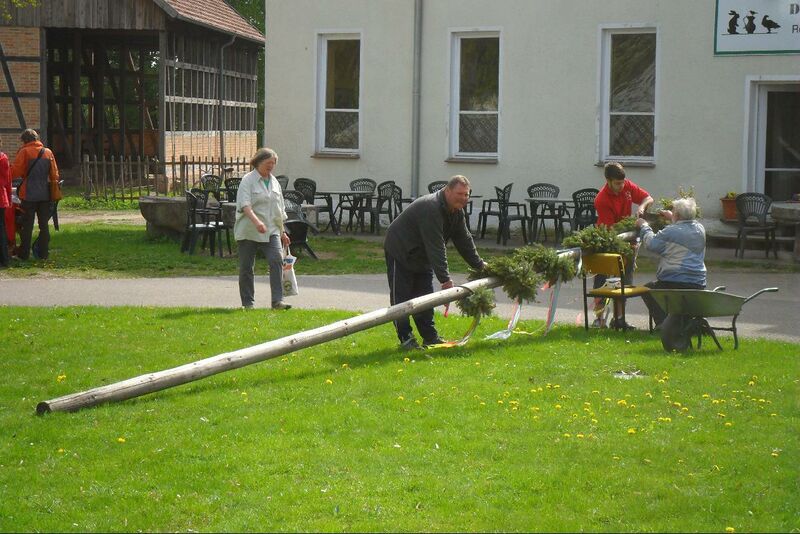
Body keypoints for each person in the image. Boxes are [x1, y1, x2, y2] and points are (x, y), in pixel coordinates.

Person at [384, 175, 487, 350]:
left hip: (422, 256)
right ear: (447, 190)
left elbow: (464, 240)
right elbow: (436, 246)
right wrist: (445, 280)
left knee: (425, 297)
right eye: (459, 194)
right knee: (401, 298)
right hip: (400, 251)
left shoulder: (456, 212)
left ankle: (430, 337)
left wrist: (481, 265)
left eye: (466, 195)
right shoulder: (431, 207)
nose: (463, 198)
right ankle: (406, 338)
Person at [591, 161, 654, 330]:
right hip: (608, 243)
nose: (621, 186)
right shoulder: (602, 200)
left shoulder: (627, 186)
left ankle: (619, 319)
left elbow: (648, 198)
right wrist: (626, 242)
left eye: (622, 183)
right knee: (603, 280)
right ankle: (599, 319)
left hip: (628, 243)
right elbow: (612, 232)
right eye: (617, 183)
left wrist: (641, 206)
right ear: (608, 181)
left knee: (625, 280)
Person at [234, 147, 292, 311]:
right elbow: (245, 205)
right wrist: (257, 222)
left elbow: (279, 210)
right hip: (249, 229)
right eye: (268, 163)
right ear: (258, 162)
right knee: (246, 266)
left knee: (277, 260)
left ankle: (277, 301)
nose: (271, 166)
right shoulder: (248, 180)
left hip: (271, 229)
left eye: (273, 163)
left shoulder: (274, 182)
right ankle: (248, 303)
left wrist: (282, 232)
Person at [636, 197, 707, 327]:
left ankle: (664, 325)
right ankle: (679, 324)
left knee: (647, 290)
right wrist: (672, 218)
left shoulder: (671, 231)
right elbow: (684, 228)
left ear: (678, 215)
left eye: (674, 211)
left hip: (675, 281)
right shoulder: (700, 229)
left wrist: (644, 226)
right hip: (698, 282)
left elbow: (651, 244)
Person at [10, 129, 60, 261]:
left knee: (27, 226)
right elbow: (55, 175)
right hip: (45, 194)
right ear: (36, 138)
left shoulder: (24, 152)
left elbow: (15, 171)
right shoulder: (48, 152)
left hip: (28, 194)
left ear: (25, 140)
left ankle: (24, 255)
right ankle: (43, 254)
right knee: (44, 225)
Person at [0, 137, 11, 266]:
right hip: (1, 198)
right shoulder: (4, 158)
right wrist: (8, 197)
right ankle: (4, 259)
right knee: (1, 229)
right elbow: (8, 181)